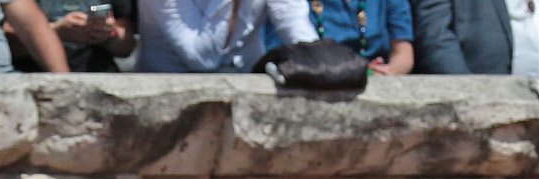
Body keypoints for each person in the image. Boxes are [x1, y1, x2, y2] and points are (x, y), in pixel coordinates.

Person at [134, 0, 317, 71]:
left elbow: (295, 26)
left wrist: (317, 59)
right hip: (171, 105)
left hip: (248, 93)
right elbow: (201, 58)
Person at [266, 0, 413, 72]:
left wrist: (388, 71)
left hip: (379, 84)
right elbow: (282, 53)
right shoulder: (290, 4)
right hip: (316, 81)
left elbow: (403, 52)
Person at [26, 0, 137, 70]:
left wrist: (109, 34)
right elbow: (11, 42)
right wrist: (54, 33)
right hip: (38, 78)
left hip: (98, 75)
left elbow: (127, 47)